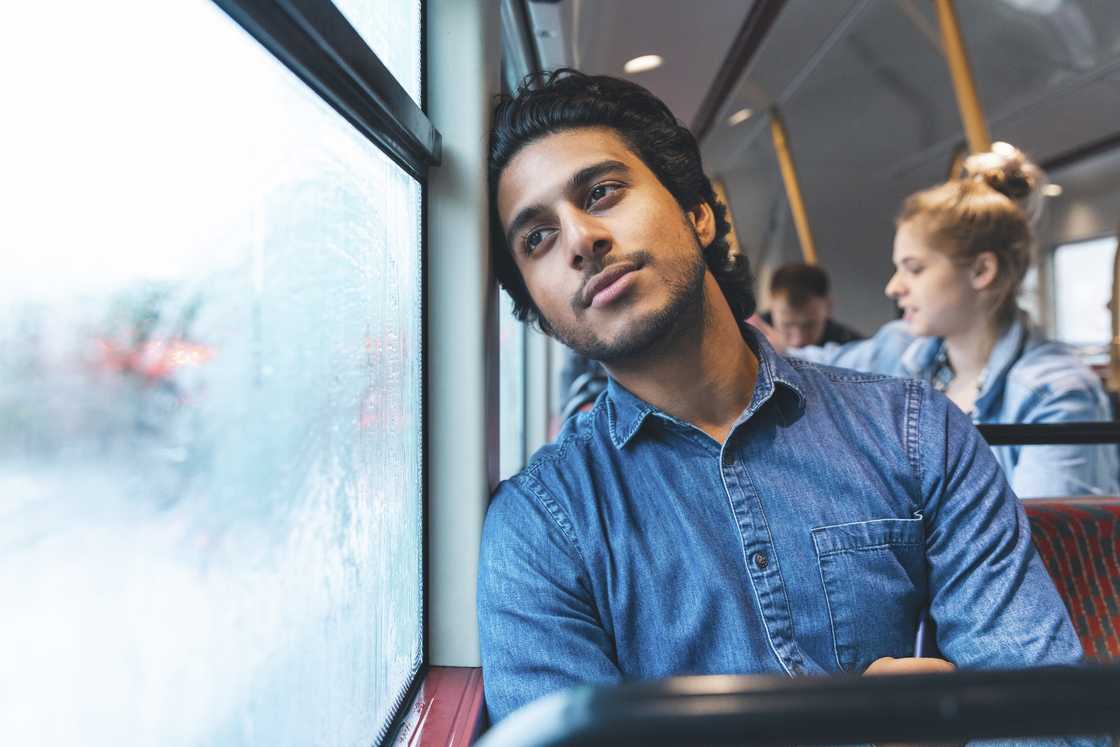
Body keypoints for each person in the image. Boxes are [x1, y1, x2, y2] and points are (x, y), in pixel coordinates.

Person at [479, 70, 1084, 724]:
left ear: (698, 212)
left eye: (602, 192)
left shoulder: (918, 432)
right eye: (535, 238)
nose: (578, 240)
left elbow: (1049, 722)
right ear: (537, 309)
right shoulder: (539, 528)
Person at [784, 143, 1119, 499]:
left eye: (914, 269)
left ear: (981, 270)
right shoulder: (905, 353)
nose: (894, 287)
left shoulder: (1054, 395)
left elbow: (1044, 545)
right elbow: (813, 367)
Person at [760, 262, 863, 347]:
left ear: (828, 307)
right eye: (787, 325)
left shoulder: (855, 350)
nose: (798, 341)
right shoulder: (748, 340)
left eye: (809, 326)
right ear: (770, 305)